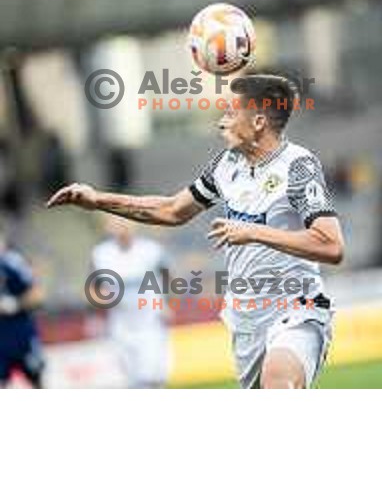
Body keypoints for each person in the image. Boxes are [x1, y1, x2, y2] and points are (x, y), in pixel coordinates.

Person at [47, 74, 344, 389]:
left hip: (298, 307)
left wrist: (254, 232)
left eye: (231, 113)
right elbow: (172, 210)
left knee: (278, 380)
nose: (221, 122)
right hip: (247, 320)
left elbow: (331, 246)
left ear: (258, 122)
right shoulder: (226, 165)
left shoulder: (298, 165)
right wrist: (97, 200)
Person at [90, 216, 171, 388]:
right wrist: (101, 298)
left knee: (153, 377)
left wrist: (166, 302)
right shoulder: (100, 254)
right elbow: (94, 289)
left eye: (125, 221)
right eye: (116, 223)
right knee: (133, 380)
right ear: (107, 227)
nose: (122, 226)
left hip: (150, 321)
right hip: (121, 323)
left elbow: (167, 276)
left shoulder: (151, 250)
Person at [0, 228, 45, 388]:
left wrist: (15, 304)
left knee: (36, 381)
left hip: (22, 336)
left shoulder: (13, 263)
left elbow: (38, 295)